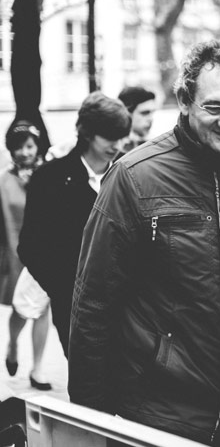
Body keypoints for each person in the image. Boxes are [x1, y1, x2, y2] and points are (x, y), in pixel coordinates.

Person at [69, 39, 220, 447]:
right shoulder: (134, 177)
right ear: (184, 100)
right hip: (155, 411)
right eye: (214, 108)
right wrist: (89, 421)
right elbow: (94, 303)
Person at [17, 93, 130, 357]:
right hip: (74, 307)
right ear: (87, 132)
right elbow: (30, 247)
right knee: (87, 375)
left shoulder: (130, 171)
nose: (117, 145)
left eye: (121, 136)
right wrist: (64, 290)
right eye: (109, 137)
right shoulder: (49, 178)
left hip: (127, 304)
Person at [0, 121, 50, 390]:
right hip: (15, 252)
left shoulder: (50, 174)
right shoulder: (4, 181)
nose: (25, 152)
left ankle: (38, 368)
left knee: (43, 308)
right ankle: (12, 345)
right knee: (20, 309)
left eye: (29, 146)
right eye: (19, 147)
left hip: (45, 252)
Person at [118, 85, 156, 153]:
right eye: (145, 113)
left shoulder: (152, 145)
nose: (151, 119)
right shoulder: (115, 149)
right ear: (126, 113)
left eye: (152, 113)